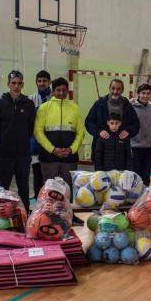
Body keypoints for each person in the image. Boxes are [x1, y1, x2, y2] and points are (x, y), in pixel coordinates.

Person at [34, 77, 85, 225]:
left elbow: (80, 132)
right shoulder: (44, 108)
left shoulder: (74, 108)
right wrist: (53, 149)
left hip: (69, 157)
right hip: (49, 157)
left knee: (67, 189)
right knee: (49, 190)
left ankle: (69, 217)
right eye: (58, 90)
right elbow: (38, 132)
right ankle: (48, 218)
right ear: (53, 91)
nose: (61, 92)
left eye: (64, 90)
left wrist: (71, 149)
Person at [0, 70, 35, 212]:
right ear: (8, 84)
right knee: (3, 189)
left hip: (23, 155)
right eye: (13, 83)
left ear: (23, 85)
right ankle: (1, 217)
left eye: (19, 83)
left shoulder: (29, 104)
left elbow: (30, 128)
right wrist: (4, 142)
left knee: (24, 188)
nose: (16, 86)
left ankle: (25, 215)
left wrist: (21, 141)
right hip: (5, 155)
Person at [85, 79, 139, 167]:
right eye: (113, 88)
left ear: (122, 90)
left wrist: (128, 131)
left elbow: (135, 124)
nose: (115, 91)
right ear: (109, 88)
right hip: (101, 151)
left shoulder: (127, 105)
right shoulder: (99, 104)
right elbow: (89, 122)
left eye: (118, 89)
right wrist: (99, 132)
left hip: (121, 153)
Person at [28, 70, 52, 199]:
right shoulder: (30, 99)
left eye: (44, 81)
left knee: (51, 176)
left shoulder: (55, 99)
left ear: (49, 82)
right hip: (35, 144)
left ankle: (51, 202)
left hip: (52, 145)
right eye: (39, 81)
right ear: (36, 82)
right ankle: (38, 204)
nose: (42, 83)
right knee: (37, 175)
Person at [130, 83, 151, 186]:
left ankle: (145, 199)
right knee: (135, 176)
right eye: (143, 93)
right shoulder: (130, 107)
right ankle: (134, 199)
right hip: (134, 147)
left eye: (148, 93)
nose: (145, 96)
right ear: (138, 94)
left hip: (149, 148)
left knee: (146, 177)